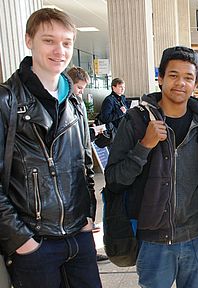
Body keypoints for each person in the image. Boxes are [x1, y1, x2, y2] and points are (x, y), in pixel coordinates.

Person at [104, 46, 198, 288]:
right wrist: (144, 146)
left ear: (196, 83)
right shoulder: (136, 121)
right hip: (154, 242)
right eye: (173, 75)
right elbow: (114, 179)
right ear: (160, 79)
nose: (180, 83)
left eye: (188, 77)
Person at [0, 8, 101, 288]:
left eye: (67, 42)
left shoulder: (75, 103)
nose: (60, 50)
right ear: (29, 40)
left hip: (78, 236)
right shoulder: (6, 101)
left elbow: (85, 165)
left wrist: (87, 215)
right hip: (34, 244)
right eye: (49, 40)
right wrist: (21, 240)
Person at [66, 66, 109, 262]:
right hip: (73, 167)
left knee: (87, 207)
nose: (81, 91)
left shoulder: (79, 105)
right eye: (79, 87)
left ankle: (88, 249)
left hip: (83, 166)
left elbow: (82, 137)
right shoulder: (64, 106)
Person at [99, 77, 128, 142]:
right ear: (113, 87)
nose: (123, 89)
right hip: (114, 133)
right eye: (120, 87)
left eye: (124, 87)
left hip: (123, 131)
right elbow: (105, 118)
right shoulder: (109, 100)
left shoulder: (122, 98)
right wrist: (120, 113)